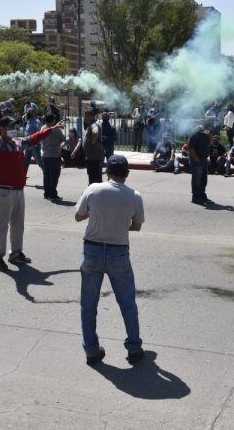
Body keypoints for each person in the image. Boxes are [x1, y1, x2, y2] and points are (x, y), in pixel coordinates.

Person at [74, 155, 145, 366]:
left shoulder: (94, 189)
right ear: (127, 173)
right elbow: (137, 226)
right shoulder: (134, 195)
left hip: (92, 251)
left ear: (107, 172)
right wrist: (119, 223)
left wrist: (98, 214)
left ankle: (92, 351)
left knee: (88, 305)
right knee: (127, 304)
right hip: (118, 253)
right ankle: (134, 348)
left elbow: (78, 216)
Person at [0, 95, 60, 271]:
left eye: (14, 126)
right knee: (2, 224)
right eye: (10, 126)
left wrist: (50, 129)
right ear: (2, 129)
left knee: (18, 224)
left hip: (19, 190)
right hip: (4, 190)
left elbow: (33, 138)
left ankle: (16, 253)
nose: (14, 128)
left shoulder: (18, 142)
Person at [73, 110, 104, 185]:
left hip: (94, 157)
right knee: (94, 176)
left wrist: (93, 141)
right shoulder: (91, 124)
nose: (85, 117)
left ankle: (94, 193)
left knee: (94, 177)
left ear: (91, 116)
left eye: (86, 115)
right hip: (92, 156)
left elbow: (95, 131)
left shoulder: (94, 125)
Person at [40, 113, 65, 200]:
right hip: (54, 155)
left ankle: (46, 193)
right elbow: (63, 138)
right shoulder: (56, 130)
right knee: (54, 175)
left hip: (45, 155)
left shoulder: (42, 128)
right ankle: (53, 194)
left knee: (46, 175)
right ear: (52, 120)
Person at [188, 125, 211, 204]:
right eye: (207, 129)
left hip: (204, 160)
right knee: (197, 179)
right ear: (202, 128)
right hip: (197, 161)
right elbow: (190, 148)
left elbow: (208, 145)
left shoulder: (206, 136)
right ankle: (195, 197)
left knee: (203, 180)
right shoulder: (194, 135)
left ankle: (202, 195)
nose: (208, 131)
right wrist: (195, 158)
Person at [23, 109, 44, 174]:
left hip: (35, 146)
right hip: (27, 146)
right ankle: (22, 178)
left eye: (29, 112)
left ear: (33, 113)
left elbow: (39, 133)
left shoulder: (36, 122)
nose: (27, 113)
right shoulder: (28, 121)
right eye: (27, 112)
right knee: (25, 163)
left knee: (39, 162)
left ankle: (47, 174)